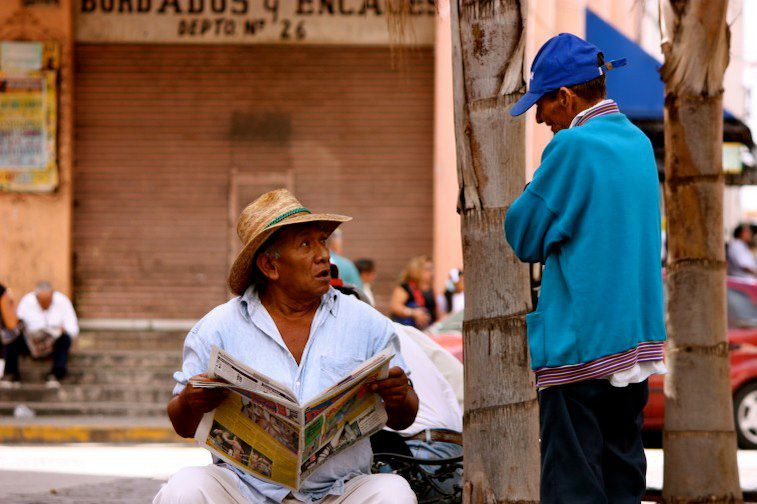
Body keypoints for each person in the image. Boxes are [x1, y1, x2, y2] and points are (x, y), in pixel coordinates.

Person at [154, 189, 419, 504]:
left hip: (338, 492)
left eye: (322, 240)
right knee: (187, 486)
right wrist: (190, 400)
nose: (323, 254)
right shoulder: (217, 328)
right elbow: (182, 425)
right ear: (270, 266)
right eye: (306, 244)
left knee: (393, 493)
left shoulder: (366, 322)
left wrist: (399, 396)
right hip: (247, 493)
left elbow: (405, 417)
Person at [504, 33, 666, 503]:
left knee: (572, 485)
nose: (539, 118)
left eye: (544, 105)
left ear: (567, 97)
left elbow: (524, 234)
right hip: (632, 348)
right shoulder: (636, 142)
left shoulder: (574, 147)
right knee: (622, 479)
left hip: (581, 348)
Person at [2, 281, 79, 388]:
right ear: (36, 297)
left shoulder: (63, 301)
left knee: (65, 339)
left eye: (48, 301)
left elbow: (73, 328)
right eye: (41, 302)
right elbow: (17, 325)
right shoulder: (27, 301)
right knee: (11, 337)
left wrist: (63, 330)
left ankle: (56, 374)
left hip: (52, 345)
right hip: (30, 343)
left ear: (53, 295)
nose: (45, 305)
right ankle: (11, 374)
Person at [389, 256, 437, 330]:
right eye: (427, 269)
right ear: (417, 270)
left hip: (427, 331)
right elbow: (395, 307)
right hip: (407, 331)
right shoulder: (405, 288)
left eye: (432, 269)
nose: (431, 272)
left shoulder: (430, 289)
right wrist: (413, 313)